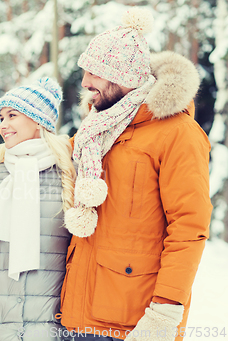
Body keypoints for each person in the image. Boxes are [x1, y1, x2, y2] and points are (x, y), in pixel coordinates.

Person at [58, 8, 212, 341]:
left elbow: (189, 227)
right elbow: (50, 161)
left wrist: (165, 312)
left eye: (95, 72)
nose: (85, 82)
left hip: (132, 324)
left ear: (124, 76)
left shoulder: (178, 133)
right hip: (75, 313)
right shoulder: (95, 130)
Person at [0, 77, 77, 341]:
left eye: (12, 115)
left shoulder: (69, 174)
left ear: (38, 120)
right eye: (1, 117)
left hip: (50, 318)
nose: (3, 125)